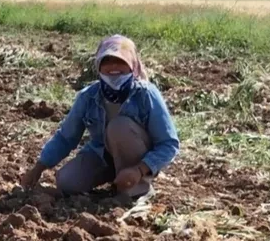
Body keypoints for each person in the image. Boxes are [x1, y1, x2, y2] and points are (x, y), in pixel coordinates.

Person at [21, 35, 179, 198]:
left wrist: (139, 169)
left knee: (119, 127)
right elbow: (66, 137)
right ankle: (115, 177)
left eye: (120, 61)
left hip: (137, 160)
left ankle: (137, 188)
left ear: (132, 64)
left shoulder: (146, 94)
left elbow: (169, 143)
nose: (113, 67)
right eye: (107, 61)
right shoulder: (88, 97)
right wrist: (38, 168)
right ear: (98, 66)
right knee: (67, 182)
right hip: (103, 156)